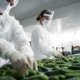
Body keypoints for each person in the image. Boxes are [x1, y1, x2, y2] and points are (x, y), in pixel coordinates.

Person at [0, 0, 37, 75]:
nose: (7, 5)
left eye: (11, 4)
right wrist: (9, 52)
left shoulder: (11, 21)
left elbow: (22, 41)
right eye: (7, 0)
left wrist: (27, 53)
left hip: (5, 69)